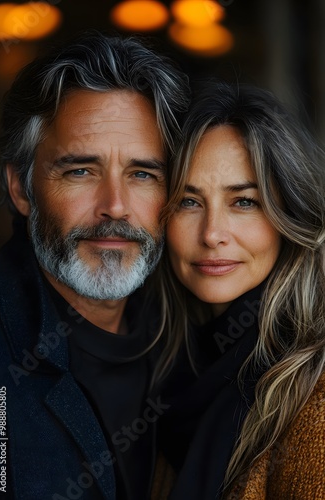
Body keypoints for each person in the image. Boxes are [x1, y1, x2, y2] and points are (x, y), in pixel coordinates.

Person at [0, 31, 189, 500]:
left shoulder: (200, 339)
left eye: (143, 173)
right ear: (22, 188)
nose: (116, 207)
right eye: (81, 171)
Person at [158, 81, 325, 499]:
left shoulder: (313, 390)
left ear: (289, 212)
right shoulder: (166, 367)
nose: (212, 234)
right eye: (188, 201)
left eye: (244, 201)